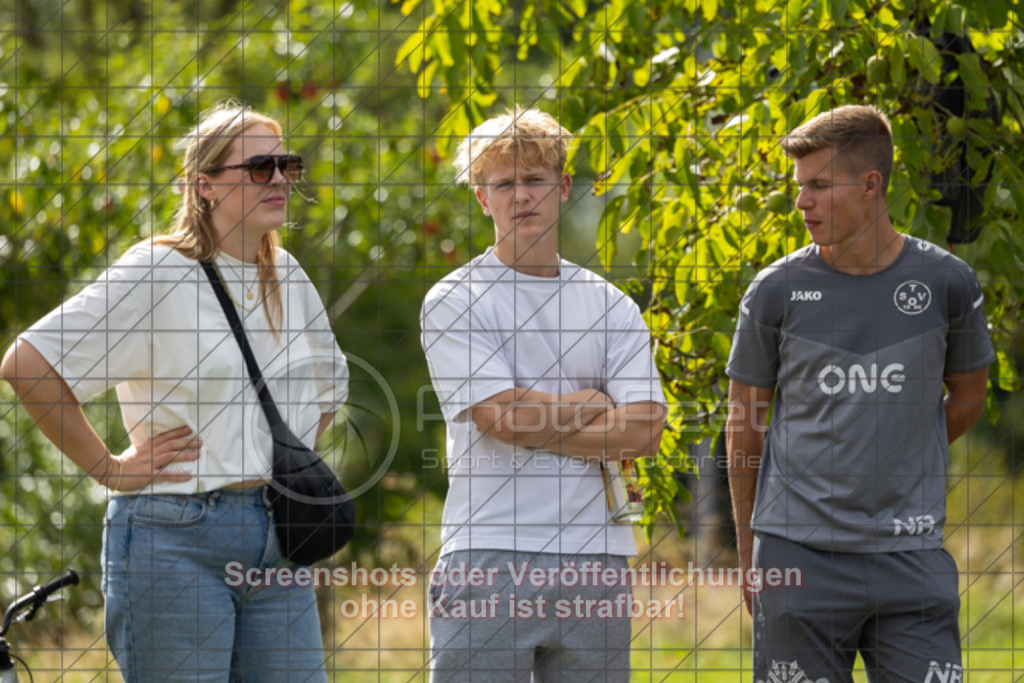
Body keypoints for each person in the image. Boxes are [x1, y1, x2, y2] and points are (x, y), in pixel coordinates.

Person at [1, 102, 348, 681]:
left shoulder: (286, 273)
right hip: (174, 538)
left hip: (279, 541)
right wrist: (109, 469)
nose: (282, 179)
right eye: (261, 167)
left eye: (287, 164)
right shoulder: (157, 273)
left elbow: (330, 389)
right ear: (204, 185)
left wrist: (279, 460)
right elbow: (27, 364)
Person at [725, 104, 994, 682]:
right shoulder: (775, 291)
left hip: (911, 556)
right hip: (796, 558)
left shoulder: (947, 282)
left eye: (819, 185)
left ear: (871, 185)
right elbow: (742, 426)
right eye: (800, 187)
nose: (802, 202)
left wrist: (899, 442)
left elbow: (971, 396)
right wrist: (750, 551)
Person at [419, 106, 667, 682]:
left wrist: (528, 415)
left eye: (534, 180)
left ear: (562, 188)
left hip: (598, 557)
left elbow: (645, 431)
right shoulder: (456, 297)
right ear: (483, 198)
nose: (520, 196)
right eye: (504, 183)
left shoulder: (611, 305)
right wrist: (591, 405)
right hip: (487, 553)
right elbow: (501, 420)